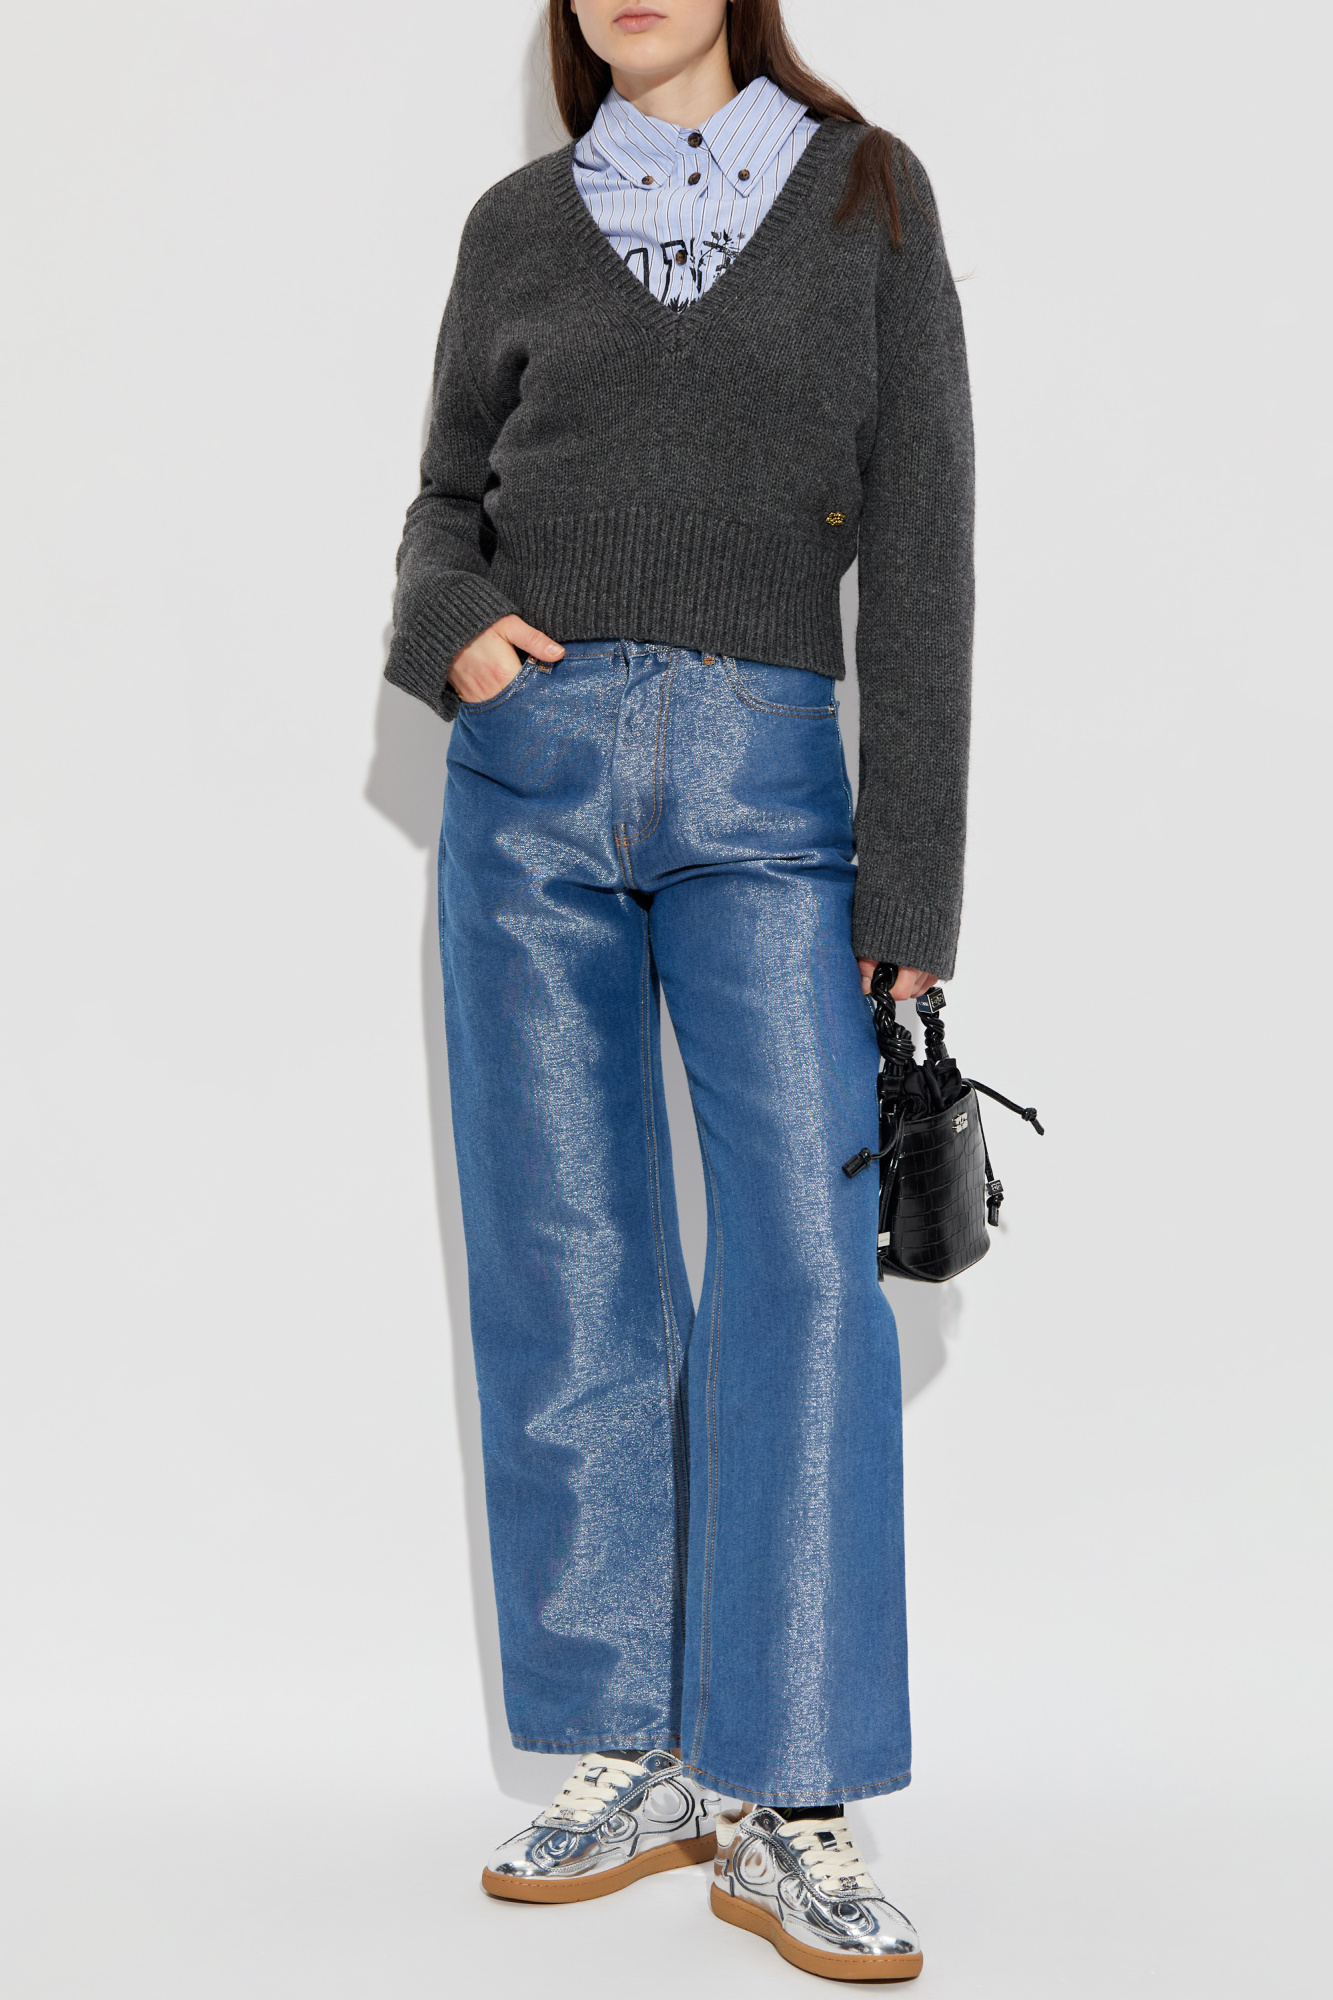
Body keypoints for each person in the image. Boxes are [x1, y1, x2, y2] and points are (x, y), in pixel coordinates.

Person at [385, 0, 972, 1980]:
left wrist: (911, 879)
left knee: (802, 1266)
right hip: (527, 780)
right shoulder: (515, 224)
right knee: (560, 1256)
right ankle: (627, 1750)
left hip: (767, 784)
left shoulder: (866, 197)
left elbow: (924, 538)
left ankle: (787, 1792)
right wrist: (454, 629)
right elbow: (444, 496)